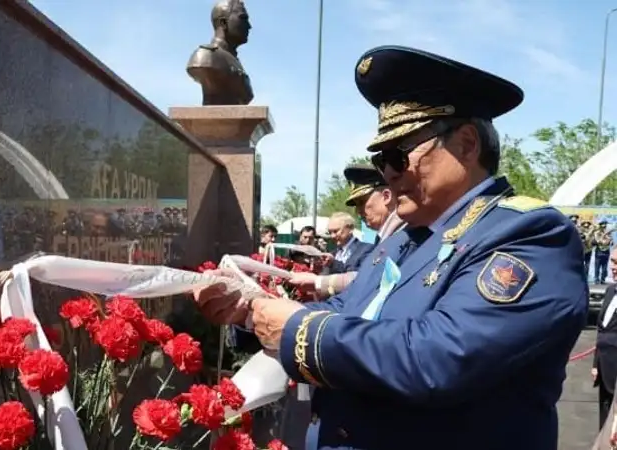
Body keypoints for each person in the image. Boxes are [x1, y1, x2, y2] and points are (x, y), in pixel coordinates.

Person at [192, 45, 588, 449]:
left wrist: (297, 330)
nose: (390, 175)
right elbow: (347, 312)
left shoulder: (530, 236)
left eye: (399, 156)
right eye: (382, 160)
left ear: (467, 145)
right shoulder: (406, 238)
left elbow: (439, 357)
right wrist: (251, 310)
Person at [290, 165, 405, 298]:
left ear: (386, 196)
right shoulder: (383, 240)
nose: (358, 211)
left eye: (362, 202)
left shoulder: (403, 237)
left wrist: (318, 282)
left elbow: (369, 281)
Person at [593, 247, 617, 428]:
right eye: (612, 262)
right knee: (605, 417)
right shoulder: (610, 291)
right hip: (605, 365)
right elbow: (602, 330)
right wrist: (596, 363)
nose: (613, 267)